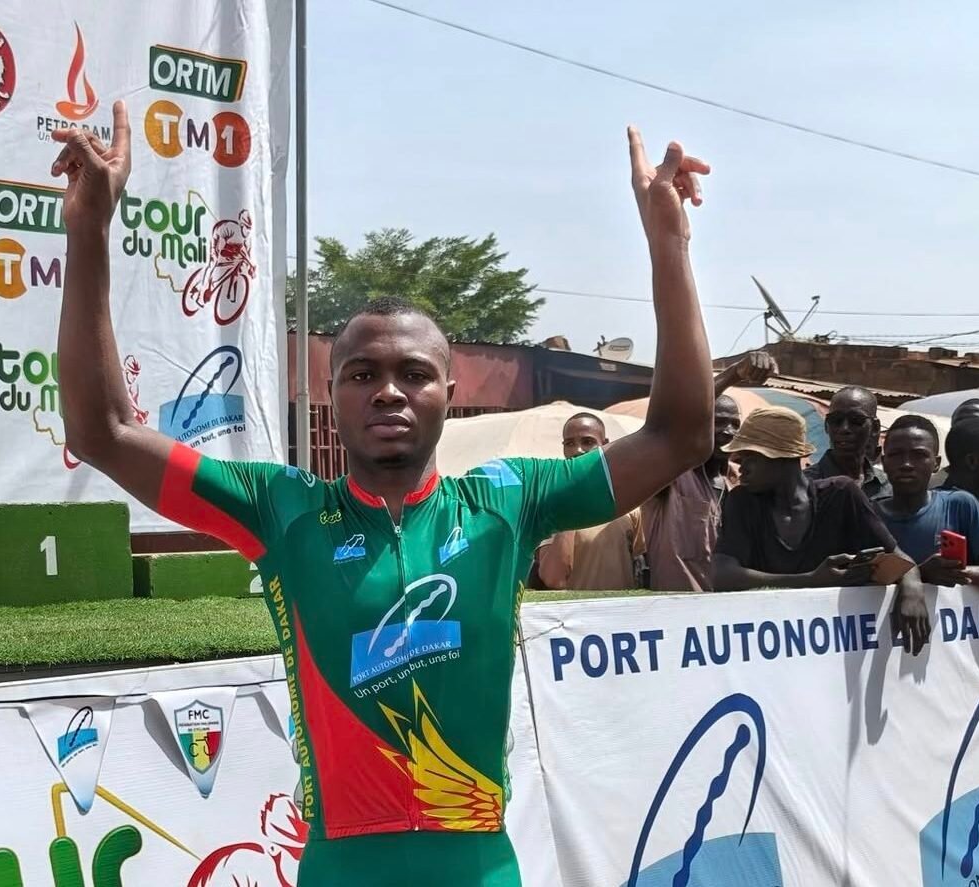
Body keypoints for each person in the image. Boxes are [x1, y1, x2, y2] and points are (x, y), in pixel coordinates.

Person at [51, 102, 716, 885]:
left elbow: (679, 435)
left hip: (477, 863)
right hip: (342, 864)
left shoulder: (509, 499)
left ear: (450, 393)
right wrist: (88, 228)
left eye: (414, 373)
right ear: (330, 394)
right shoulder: (281, 509)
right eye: (362, 373)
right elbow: (102, 430)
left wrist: (667, 245)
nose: (389, 391)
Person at [712, 406, 931, 651]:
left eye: (749, 458)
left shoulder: (842, 494)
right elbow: (721, 575)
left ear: (782, 458)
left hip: (834, 647)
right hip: (769, 645)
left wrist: (912, 591)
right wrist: (810, 580)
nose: (741, 468)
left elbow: (901, 561)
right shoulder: (742, 501)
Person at [642, 351, 776, 591]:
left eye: (735, 424)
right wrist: (734, 373)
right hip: (674, 605)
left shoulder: (741, 482)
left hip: (727, 608)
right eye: (718, 421)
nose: (728, 431)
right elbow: (678, 421)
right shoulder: (673, 476)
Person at [875, 416, 979, 591]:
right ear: (884, 462)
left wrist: (955, 572)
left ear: (936, 464)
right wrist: (921, 574)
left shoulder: (959, 505)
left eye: (919, 455)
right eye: (896, 455)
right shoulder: (868, 515)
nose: (906, 464)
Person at [533, 413, 646, 590]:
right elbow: (554, 579)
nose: (577, 450)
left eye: (587, 442)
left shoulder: (629, 505)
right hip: (575, 608)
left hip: (624, 607)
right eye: (569, 443)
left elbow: (642, 569)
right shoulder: (549, 507)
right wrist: (571, 500)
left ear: (604, 444)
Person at [806, 386, 891, 500]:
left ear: (875, 428)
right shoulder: (804, 485)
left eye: (856, 420)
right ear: (826, 425)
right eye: (836, 420)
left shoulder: (888, 486)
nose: (844, 429)